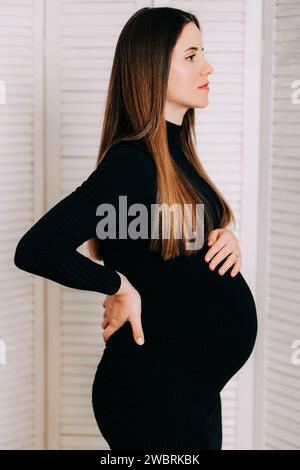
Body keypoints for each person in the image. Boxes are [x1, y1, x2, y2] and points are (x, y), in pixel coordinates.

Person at [14, 6, 258, 450]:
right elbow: (36, 248)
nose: (208, 66)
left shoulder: (178, 151)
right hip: (153, 394)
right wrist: (118, 284)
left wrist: (224, 236)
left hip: (192, 391)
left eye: (203, 53)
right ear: (151, 69)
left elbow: (170, 246)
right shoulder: (129, 163)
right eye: (191, 56)